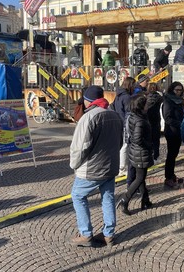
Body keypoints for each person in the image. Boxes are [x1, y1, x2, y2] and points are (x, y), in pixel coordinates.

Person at [69, 85, 123, 247]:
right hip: (111, 165)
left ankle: (85, 234)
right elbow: (120, 142)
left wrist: (74, 164)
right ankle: (109, 234)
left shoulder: (88, 117)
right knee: (108, 197)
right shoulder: (114, 115)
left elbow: (80, 146)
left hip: (92, 168)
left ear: (88, 101)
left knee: (78, 196)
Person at [117, 94, 154, 215]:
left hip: (135, 151)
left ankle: (145, 200)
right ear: (141, 106)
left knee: (141, 177)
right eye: (146, 104)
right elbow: (138, 138)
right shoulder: (140, 120)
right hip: (140, 152)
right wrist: (149, 145)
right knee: (139, 179)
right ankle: (125, 199)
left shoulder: (133, 115)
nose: (148, 106)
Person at [110, 77, 136, 176]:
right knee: (125, 145)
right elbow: (128, 111)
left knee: (122, 144)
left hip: (118, 121)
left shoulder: (119, 95)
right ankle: (122, 167)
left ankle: (121, 165)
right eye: (133, 85)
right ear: (130, 85)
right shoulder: (127, 97)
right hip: (124, 122)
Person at [162, 81, 184, 188]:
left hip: (179, 131)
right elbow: (167, 118)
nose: (179, 92)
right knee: (171, 155)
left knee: (174, 154)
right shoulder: (168, 101)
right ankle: (168, 177)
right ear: (172, 90)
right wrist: (180, 124)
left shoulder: (180, 100)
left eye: (180, 90)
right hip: (171, 131)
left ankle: (171, 174)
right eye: (177, 90)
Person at [146, 82, 163, 161]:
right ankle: (156, 156)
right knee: (156, 139)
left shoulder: (145, 97)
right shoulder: (159, 97)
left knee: (148, 138)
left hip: (147, 119)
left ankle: (148, 155)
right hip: (156, 118)